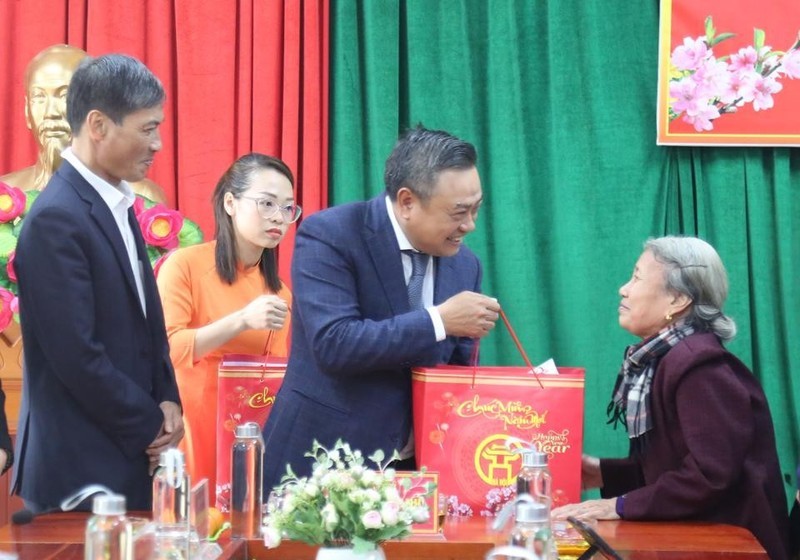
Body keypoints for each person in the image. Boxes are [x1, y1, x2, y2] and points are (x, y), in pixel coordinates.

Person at [262, 125, 501, 491]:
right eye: (458, 212)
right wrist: (439, 321)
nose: (469, 225)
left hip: (414, 476)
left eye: (476, 209)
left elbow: (455, 375)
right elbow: (334, 343)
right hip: (320, 463)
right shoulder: (330, 234)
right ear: (407, 202)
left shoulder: (466, 265)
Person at [12, 53, 183, 511]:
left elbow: (147, 323)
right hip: (79, 475)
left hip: (124, 456)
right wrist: (151, 423)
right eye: (147, 129)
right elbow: (77, 357)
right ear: (98, 125)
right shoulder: (56, 219)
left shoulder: (118, 202)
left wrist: (168, 398)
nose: (158, 144)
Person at [551, 236, 789, 560]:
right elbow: (672, 470)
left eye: (636, 277)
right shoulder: (665, 359)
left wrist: (617, 506)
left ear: (677, 299)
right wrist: (601, 472)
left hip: (732, 549)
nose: (624, 288)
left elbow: (710, 476)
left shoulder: (699, 366)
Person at [156, 153, 296, 495]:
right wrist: (242, 320)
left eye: (288, 208)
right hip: (191, 426)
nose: (278, 217)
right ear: (231, 203)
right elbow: (167, 350)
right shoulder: (185, 265)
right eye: (267, 203)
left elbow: (272, 377)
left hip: (247, 434)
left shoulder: (279, 292)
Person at [1, 44, 167, 203]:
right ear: (26, 112)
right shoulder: (5, 194)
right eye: (39, 97)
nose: (50, 112)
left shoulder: (137, 197)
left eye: (65, 95)